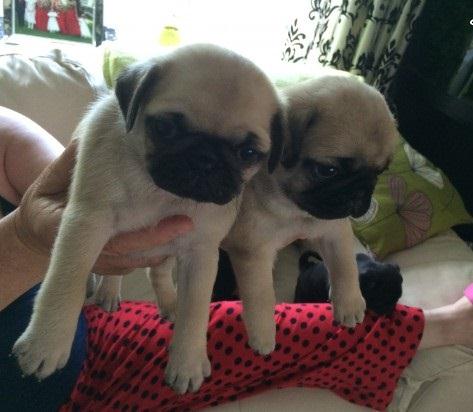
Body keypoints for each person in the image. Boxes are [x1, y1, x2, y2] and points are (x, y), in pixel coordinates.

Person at [1, 106, 472, 411]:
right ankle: (446, 324)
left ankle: (431, 321)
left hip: (90, 340)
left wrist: (89, 204)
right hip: (65, 390)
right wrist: (27, 236)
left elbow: (55, 171)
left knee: (249, 333)